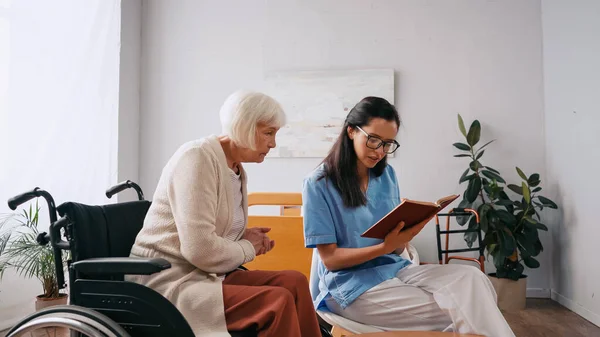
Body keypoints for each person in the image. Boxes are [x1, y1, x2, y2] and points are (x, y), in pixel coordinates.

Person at [302, 96, 515, 337]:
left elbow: (395, 246)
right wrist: (385, 247)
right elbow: (330, 260)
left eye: (388, 144)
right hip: (351, 287)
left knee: (474, 280)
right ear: (351, 131)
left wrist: (409, 231)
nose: (380, 151)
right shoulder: (318, 184)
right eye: (373, 140)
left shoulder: (386, 175)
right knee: (467, 308)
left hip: (395, 269)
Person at [127, 90, 322, 337]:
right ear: (245, 127)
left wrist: (244, 235)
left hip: (203, 275)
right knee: (277, 301)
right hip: (168, 282)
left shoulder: (234, 167)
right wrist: (247, 247)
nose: (273, 143)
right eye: (268, 133)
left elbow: (210, 229)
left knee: (294, 282)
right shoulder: (197, 158)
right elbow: (200, 250)